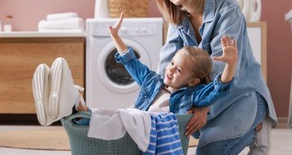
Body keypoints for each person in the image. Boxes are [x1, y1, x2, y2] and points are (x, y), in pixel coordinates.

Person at [152, 0, 278, 155]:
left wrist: (203, 108)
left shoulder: (227, 9)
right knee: (178, 112)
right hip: (205, 95)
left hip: (241, 92)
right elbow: (166, 65)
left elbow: (221, 65)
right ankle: (216, 125)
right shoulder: (178, 20)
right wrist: (150, 106)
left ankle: (257, 127)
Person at [76, 13, 237, 115]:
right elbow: (131, 62)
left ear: (193, 81)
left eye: (179, 69)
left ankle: (86, 114)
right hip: (134, 119)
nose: (171, 69)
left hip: (152, 131)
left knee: (114, 119)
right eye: (172, 63)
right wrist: (115, 37)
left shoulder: (190, 95)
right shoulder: (152, 81)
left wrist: (230, 65)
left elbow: (217, 89)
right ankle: (84, 112)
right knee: (112, 115)